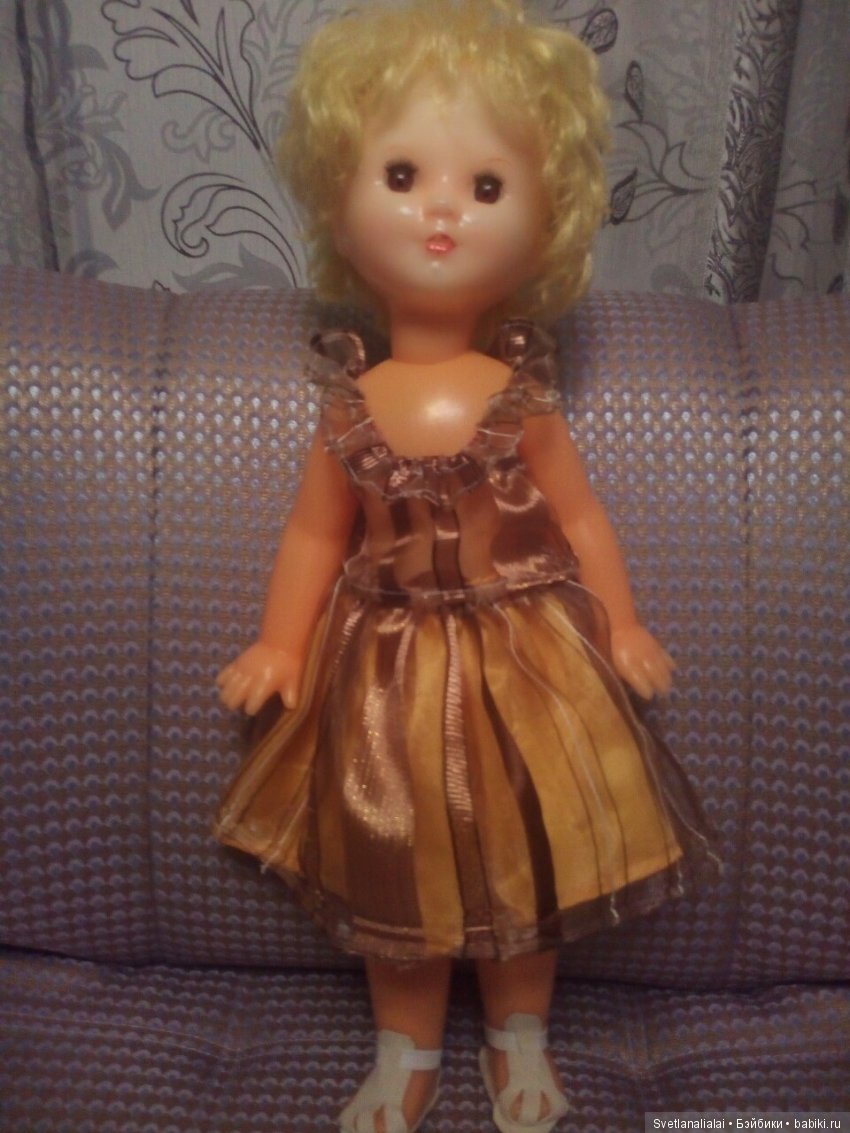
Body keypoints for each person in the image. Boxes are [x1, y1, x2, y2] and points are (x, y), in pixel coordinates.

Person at [215, 2, 714, 1130]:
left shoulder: (520, 397)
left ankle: (517, 1034)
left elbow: (579, 518)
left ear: (544, 229)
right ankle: (406, 1048)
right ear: (340, 205)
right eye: (402, 174)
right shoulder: (349, 404)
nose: (441, 209)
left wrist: (625, 623)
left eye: (486, 186)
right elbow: (314, 534)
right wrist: (280, 642)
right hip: (385, 671)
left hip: (527, 662)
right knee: (394, 862)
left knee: (528, 861)